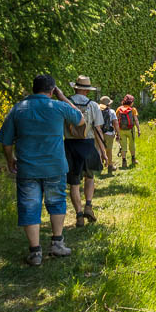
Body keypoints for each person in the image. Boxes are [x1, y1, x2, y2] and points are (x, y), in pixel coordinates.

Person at [0, 74, 83, 266]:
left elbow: (6, 141)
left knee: (29, 206)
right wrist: (62, 97)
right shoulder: (59, 107)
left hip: (27, 168)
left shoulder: (18, 109)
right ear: (52, 90)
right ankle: (57, 243)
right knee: (57, 202)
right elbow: (80, 119)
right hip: (54, 166)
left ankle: (35, 252)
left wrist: (10, 160)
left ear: (33, 88)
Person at [64, 75, 108, 227]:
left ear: (75, 88)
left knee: (74, 183)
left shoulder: (65, 103)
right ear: (87, 91)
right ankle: (88, 205)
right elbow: (98, 130)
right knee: (90, 177)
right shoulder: (93, 105)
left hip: (70, 145)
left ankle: (79, 215)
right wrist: (103, 151)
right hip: (88, 144)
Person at [116, 94, 141, 168]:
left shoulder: (119, 109)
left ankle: (124, 162)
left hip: (121, 130)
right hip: (131, 130)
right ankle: (133, 159)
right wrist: (139, 129)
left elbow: (116, 120)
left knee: (123, 146)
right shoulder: (133, 109)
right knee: (132, 144)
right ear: (131, 102)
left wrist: (116, 132)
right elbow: (136, 120)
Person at [98, 96, 120, 175]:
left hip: (98, 133)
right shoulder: (112, 112)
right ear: (109, 104)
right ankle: (110, 166)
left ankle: (99, 165)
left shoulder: (97, 111)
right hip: (109, 133)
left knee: (100, 149)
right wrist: (118, 133)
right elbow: (116, 123)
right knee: (109, 150)